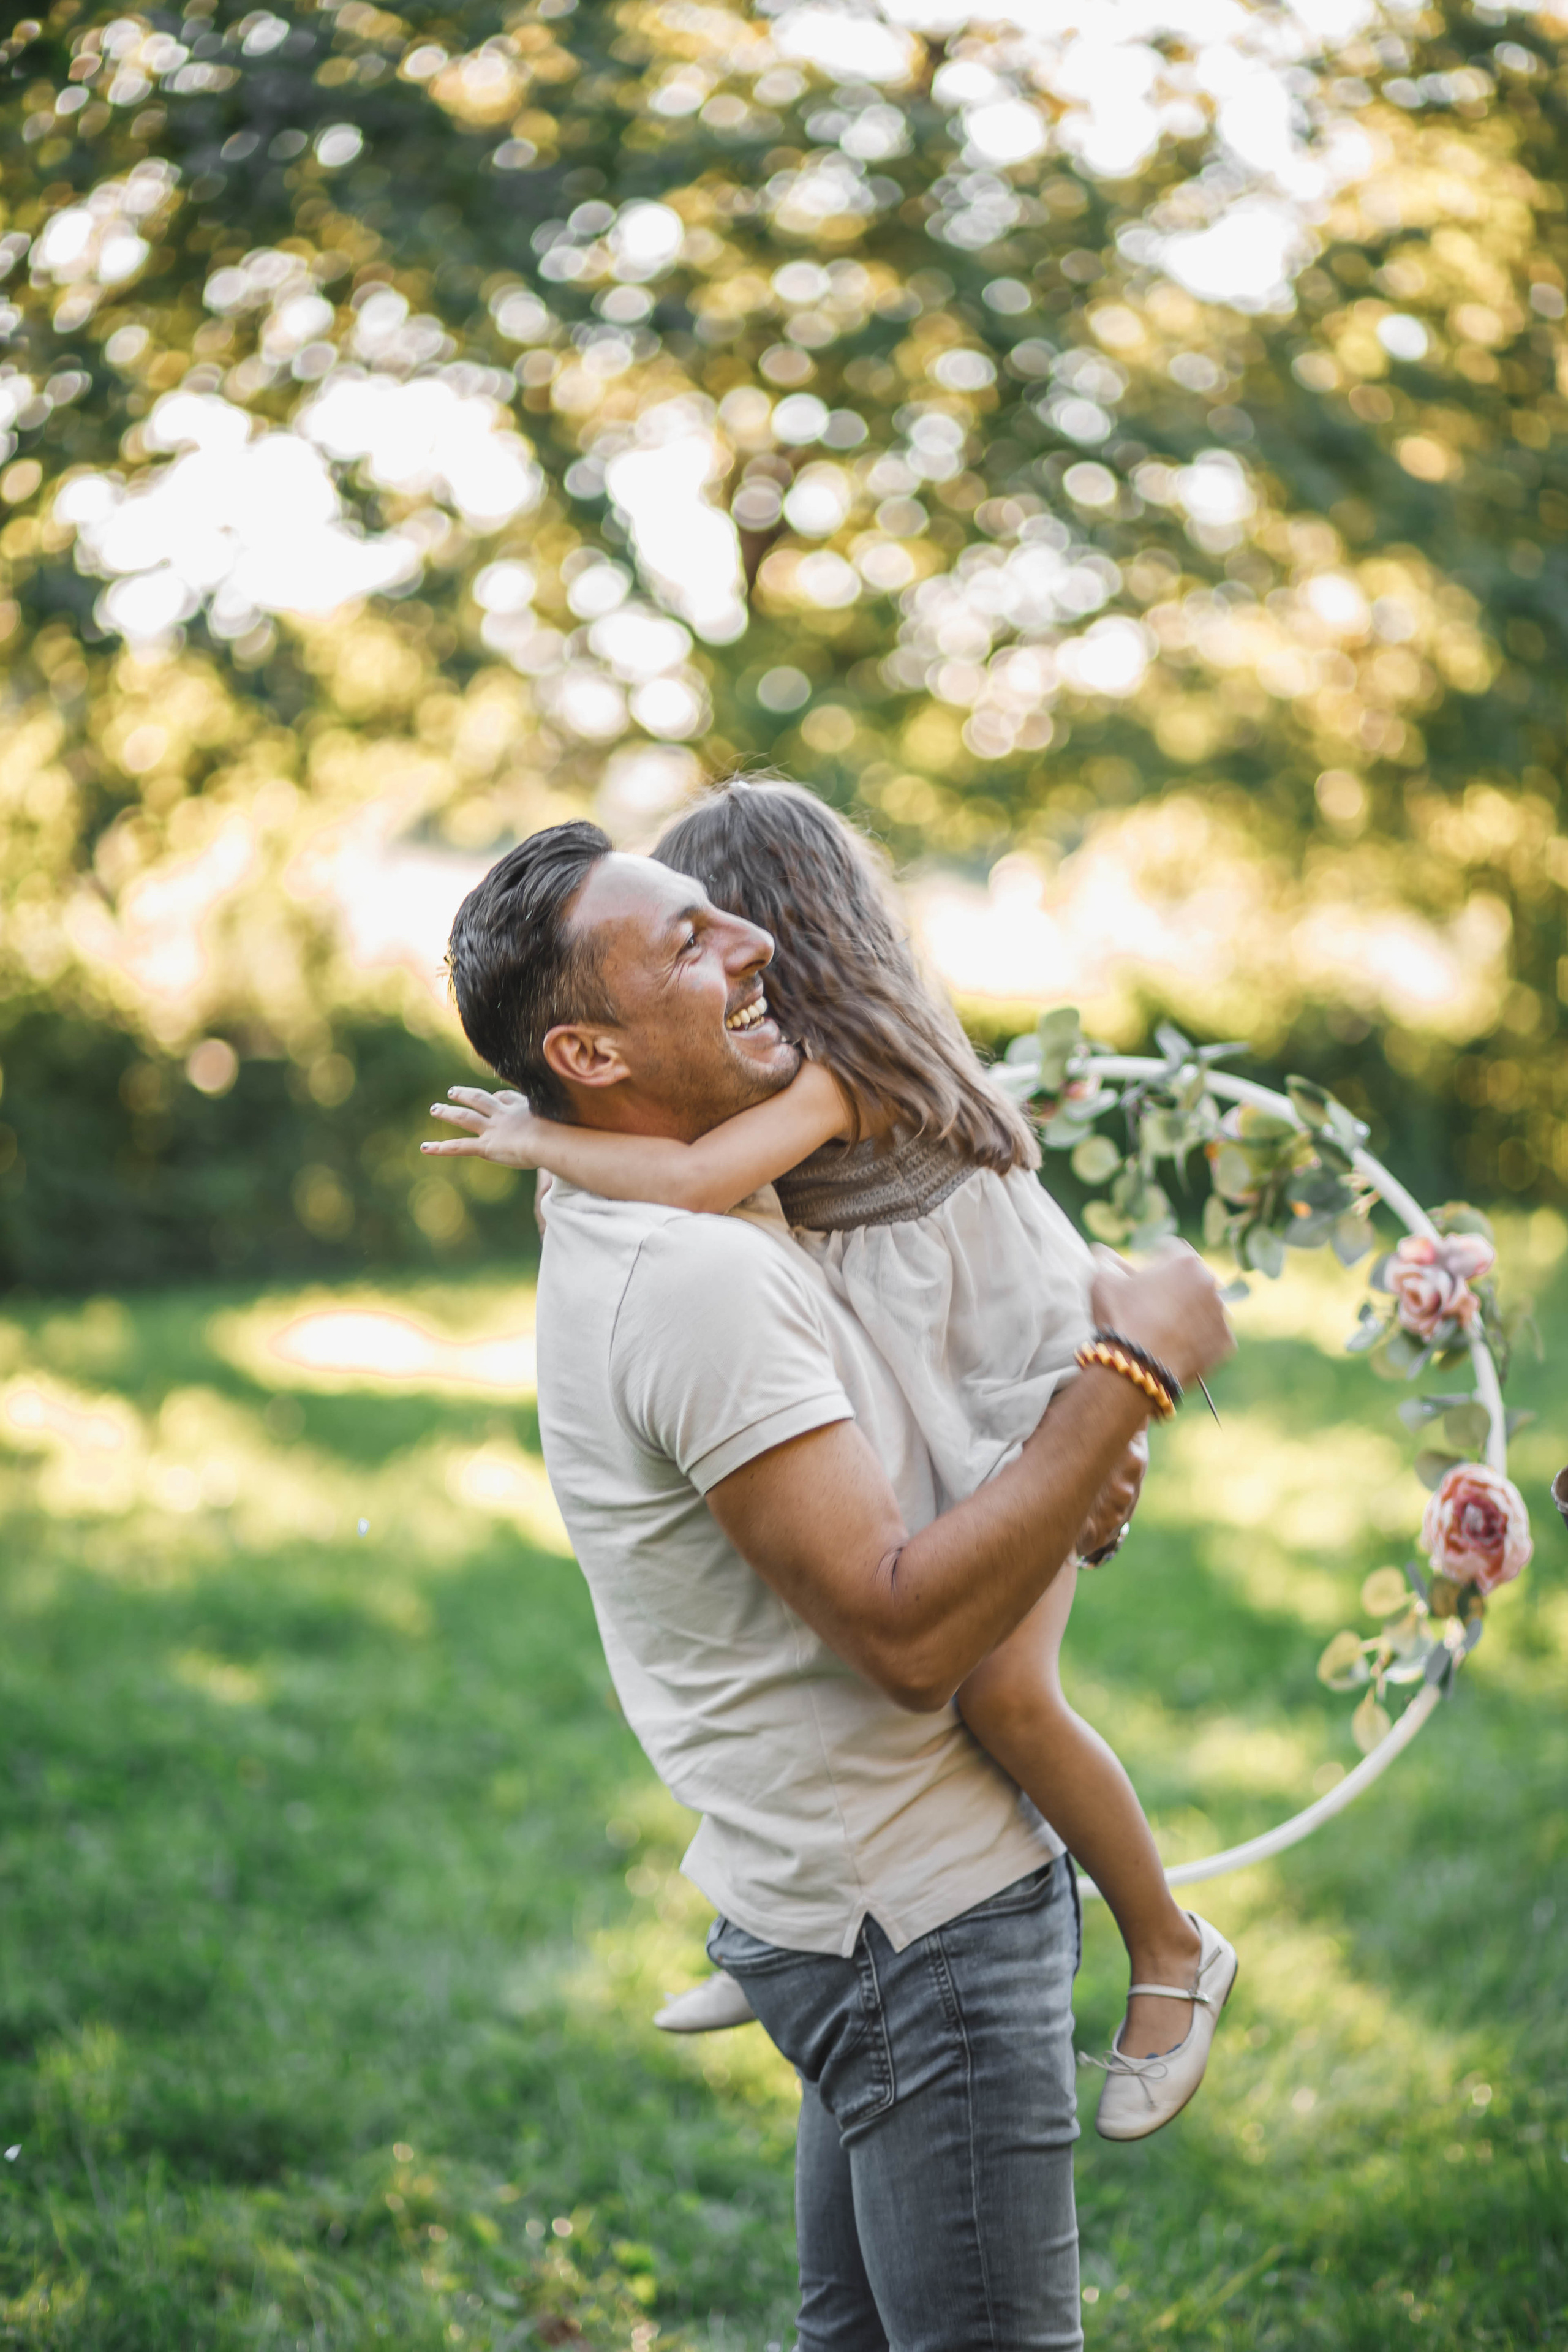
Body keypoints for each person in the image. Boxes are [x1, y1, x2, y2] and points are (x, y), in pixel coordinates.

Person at [436, 815, 1234, 2351]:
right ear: (588, 1049)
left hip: (881, 1896)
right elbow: (902, 1622)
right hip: (906, 1924)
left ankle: (1163, 1940)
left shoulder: (768, 1148)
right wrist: (1124, 1387)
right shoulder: (697, 1264)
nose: (750, 952)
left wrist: (1087, 1422)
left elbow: (921, 1450)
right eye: (691, 936)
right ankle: (805, 1923)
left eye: (736, 919)